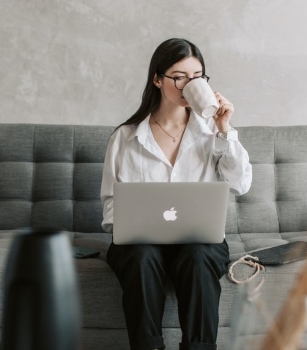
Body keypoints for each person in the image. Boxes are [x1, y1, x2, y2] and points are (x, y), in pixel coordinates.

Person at [100, 38, 253, 350]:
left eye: (197, 77)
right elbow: (111, 205)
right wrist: (132, 225)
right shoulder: (125, 137)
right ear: (157, 79)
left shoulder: (213, 133)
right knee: (142, 256)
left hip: (198, 241)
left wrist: (226, 129)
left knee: (199, 256)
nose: (189, 85)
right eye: (179, 77)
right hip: (140, 244)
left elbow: (241, 184)